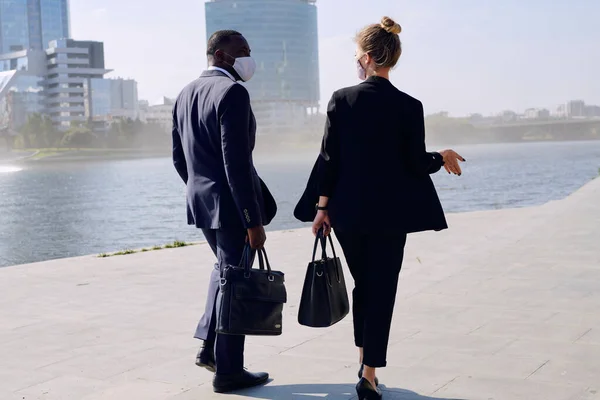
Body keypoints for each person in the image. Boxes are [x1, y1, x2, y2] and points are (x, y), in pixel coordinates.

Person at [309, 17, 465, 400]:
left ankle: (365, 363)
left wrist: (321, 208)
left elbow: (330, 158)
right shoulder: (409, 106)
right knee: (382, 290)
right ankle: (369, 372)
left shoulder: (341, 99)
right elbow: (413, 162)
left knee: (365, 285)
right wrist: (440, 156)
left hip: (347, 213)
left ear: (365, 57)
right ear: (390, 59)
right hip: (390, 216)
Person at [172, 30, 277, 394]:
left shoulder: (184, 94)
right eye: (242, 51)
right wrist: (253, 221)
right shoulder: (233, 92)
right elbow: (236, 164)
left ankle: (209, 349)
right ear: (220, 55)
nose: (249, 58)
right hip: (231, 208)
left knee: (224, 273)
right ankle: (228, 371)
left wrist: (201, 188)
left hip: (202, 203)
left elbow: (178, 157)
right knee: (235, 283)